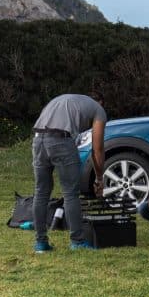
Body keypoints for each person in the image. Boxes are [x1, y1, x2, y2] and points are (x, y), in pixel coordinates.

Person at [31, 93, 106, 253]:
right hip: (61, 141)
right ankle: (77, 242)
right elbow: (97, 149)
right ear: (100, 102)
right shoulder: (98, 109)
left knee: (41, 192)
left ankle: (40, 243)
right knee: (70, 193)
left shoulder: (61, 99)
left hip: (38, 140)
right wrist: (100, 178)